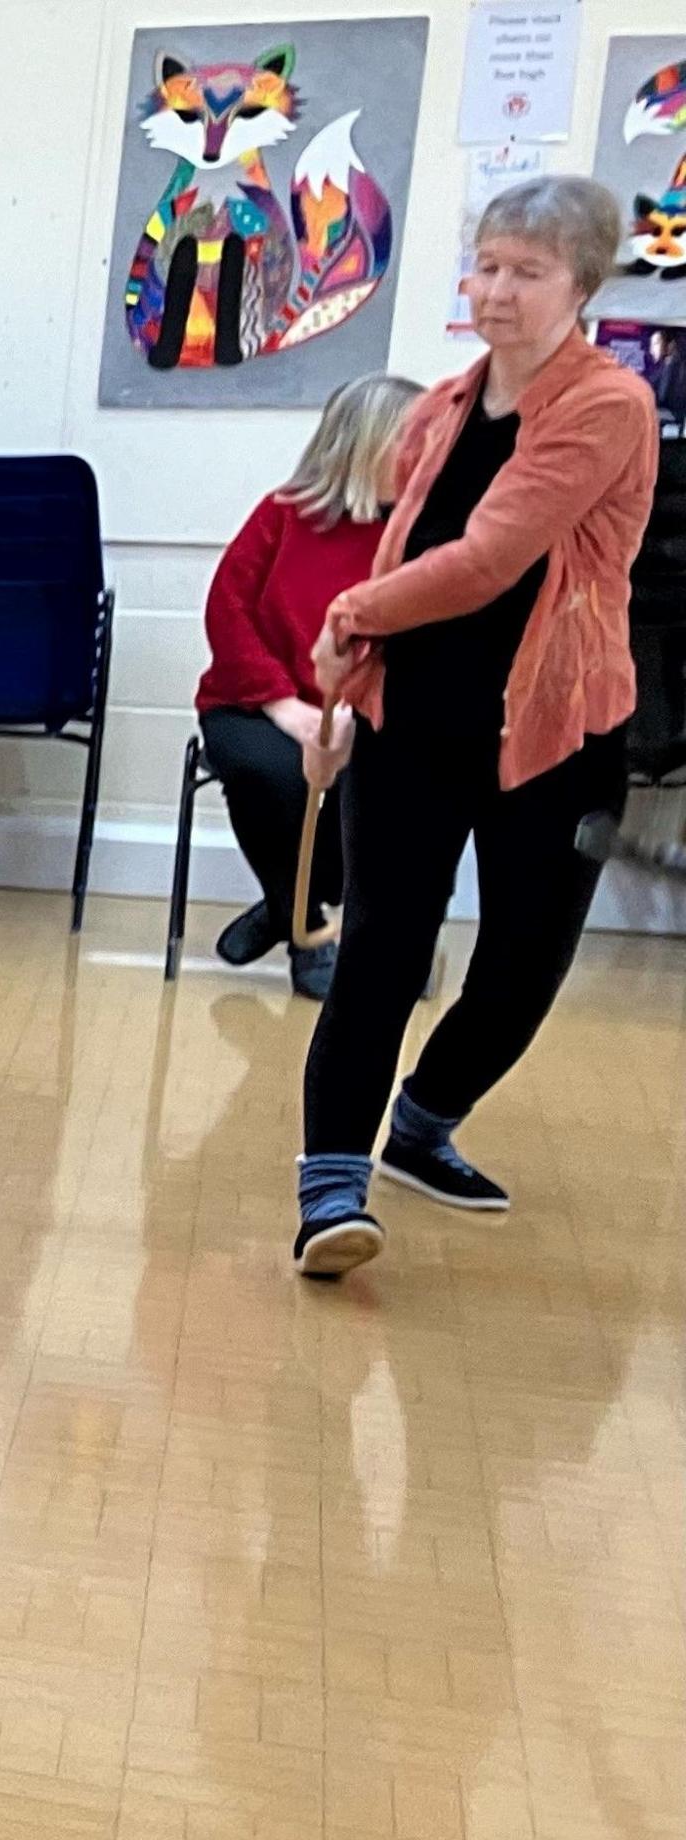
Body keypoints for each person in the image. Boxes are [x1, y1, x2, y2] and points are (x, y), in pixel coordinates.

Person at [297, 176, 648, 1279]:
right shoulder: (438, 409)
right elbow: (405, 556)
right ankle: (329, 1195)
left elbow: (492, 557)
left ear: (581, 285)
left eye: (526, 272)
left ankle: (424, 1121)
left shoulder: (608, 405)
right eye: (487, 265)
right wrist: (344, 690)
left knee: (517, 971)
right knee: (379, 958)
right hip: (416, 728)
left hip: (561, 731)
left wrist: (350, 612)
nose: (496, 291)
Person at [194, 372, 420, 997]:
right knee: (272, 775)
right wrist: (283, 705)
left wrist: (366, 706)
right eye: (411, 440)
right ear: (364, 443)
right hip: (256, 702)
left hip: (372, 710)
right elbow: (227, 609)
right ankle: (307, 930)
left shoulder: (422, 534)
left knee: (393, 791)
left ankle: (283, 904)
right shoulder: (283, 514)